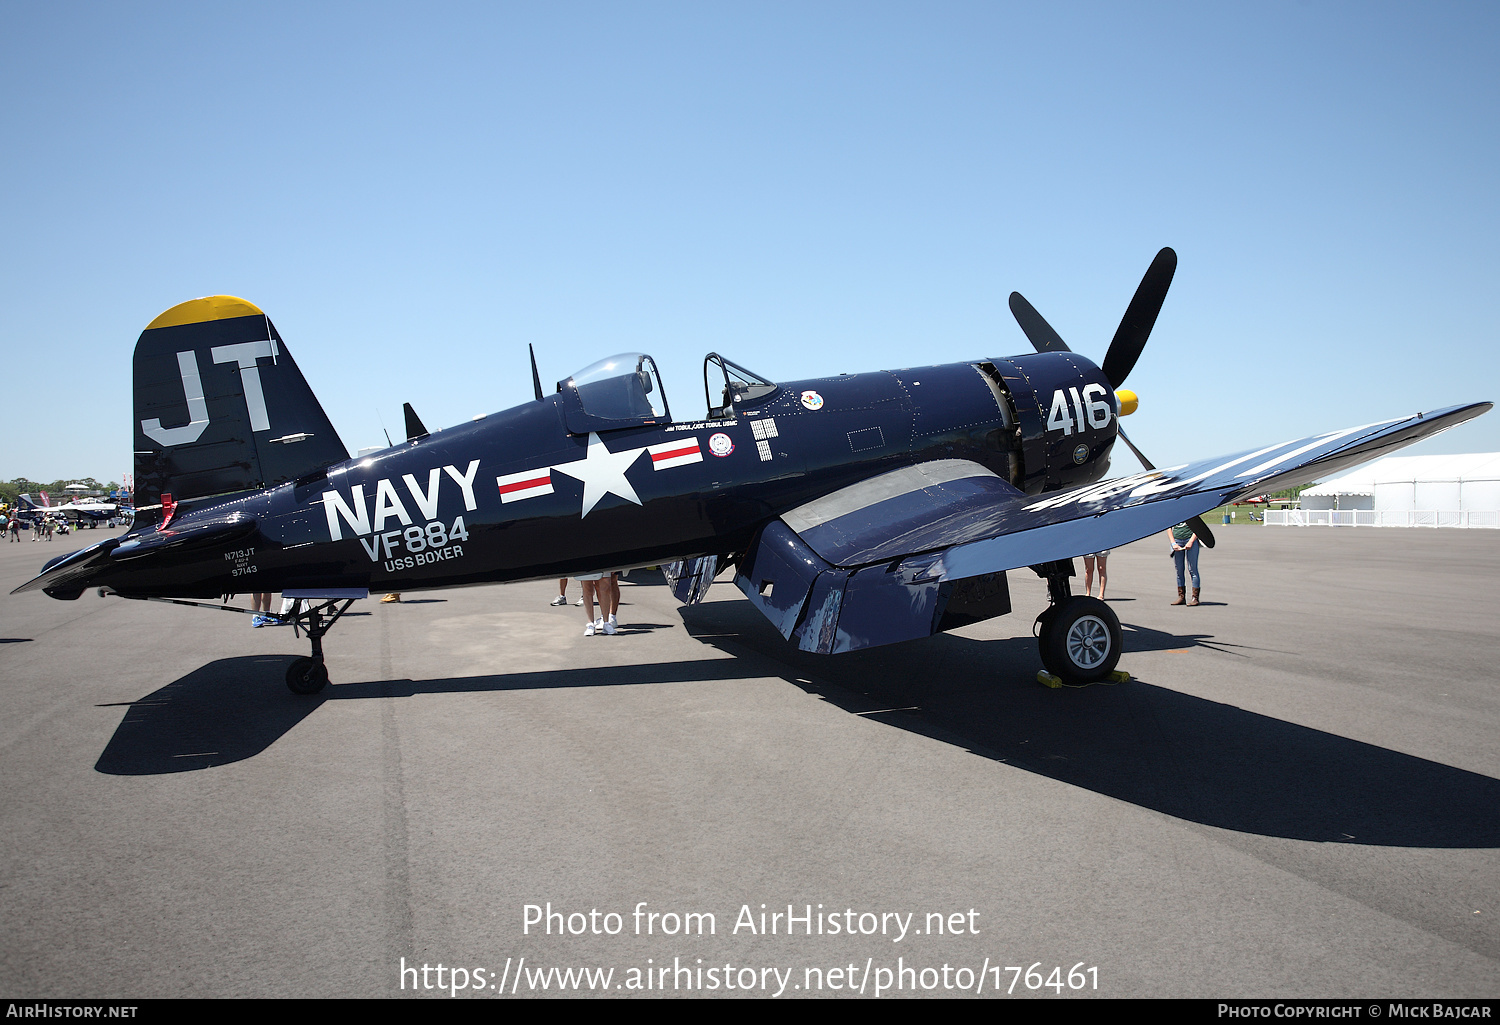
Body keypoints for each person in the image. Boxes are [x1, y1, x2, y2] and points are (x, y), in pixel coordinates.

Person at [1168, 522, 1200, 606]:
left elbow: (1199, 528)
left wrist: (1191, 541)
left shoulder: (1192, 511)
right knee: (1179, 570)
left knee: (1192, 569)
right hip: (1177, 540)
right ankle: (1181, 596)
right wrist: (1173, 543)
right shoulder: (1173, 512)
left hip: (1190, 539)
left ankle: (1195, 598)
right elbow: (1168, 527)